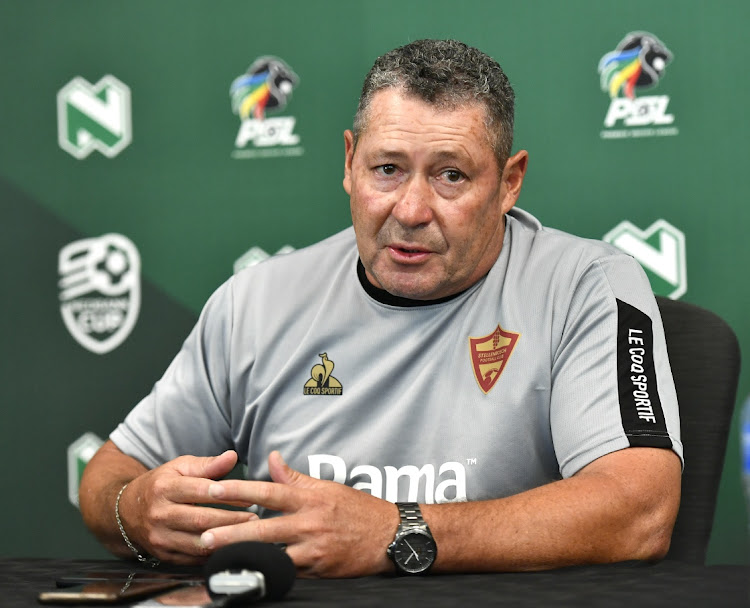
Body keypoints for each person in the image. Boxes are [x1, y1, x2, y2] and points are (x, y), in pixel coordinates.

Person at [80, 39, 682, 578]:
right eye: (387, 170)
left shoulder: (585, 285)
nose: (412, 210)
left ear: (508, 181)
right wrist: (132, 510)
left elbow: (641, 509)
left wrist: (398, 531)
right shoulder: (255, 301)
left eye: (450, 176)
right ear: (349, 163)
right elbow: (109, 475)